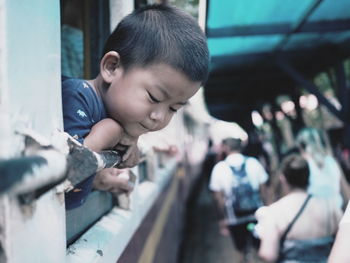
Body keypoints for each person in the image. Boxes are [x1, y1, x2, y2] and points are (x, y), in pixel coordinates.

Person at [62, 4, 209, 209]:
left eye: (173, 109)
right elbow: (62, 186)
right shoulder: (75, 98)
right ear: (112, 67)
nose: (160, 117)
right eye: (154, 97)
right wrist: (109, 133)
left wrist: (101, 175)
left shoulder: (117, 115)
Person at [256, 154, 342, 262]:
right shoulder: (330, 205)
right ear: (308, 176)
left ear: (283, 179)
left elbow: (268, 254)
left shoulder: (275, 211)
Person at [209, 137, 268, 263]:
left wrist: (222, 220)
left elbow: (218, 198)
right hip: (257, 215)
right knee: (261, 250)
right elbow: (264, 190)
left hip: (235, 219)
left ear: (226, 148)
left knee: (240, 251)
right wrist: (267, 209)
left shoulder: (220, 168)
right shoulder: (254, 162)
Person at [295, 127, 350, 209]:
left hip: (317, 215)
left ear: (301, 146)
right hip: (337, 210)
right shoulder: (331, 161)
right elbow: (345, 192)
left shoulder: (304, 166)